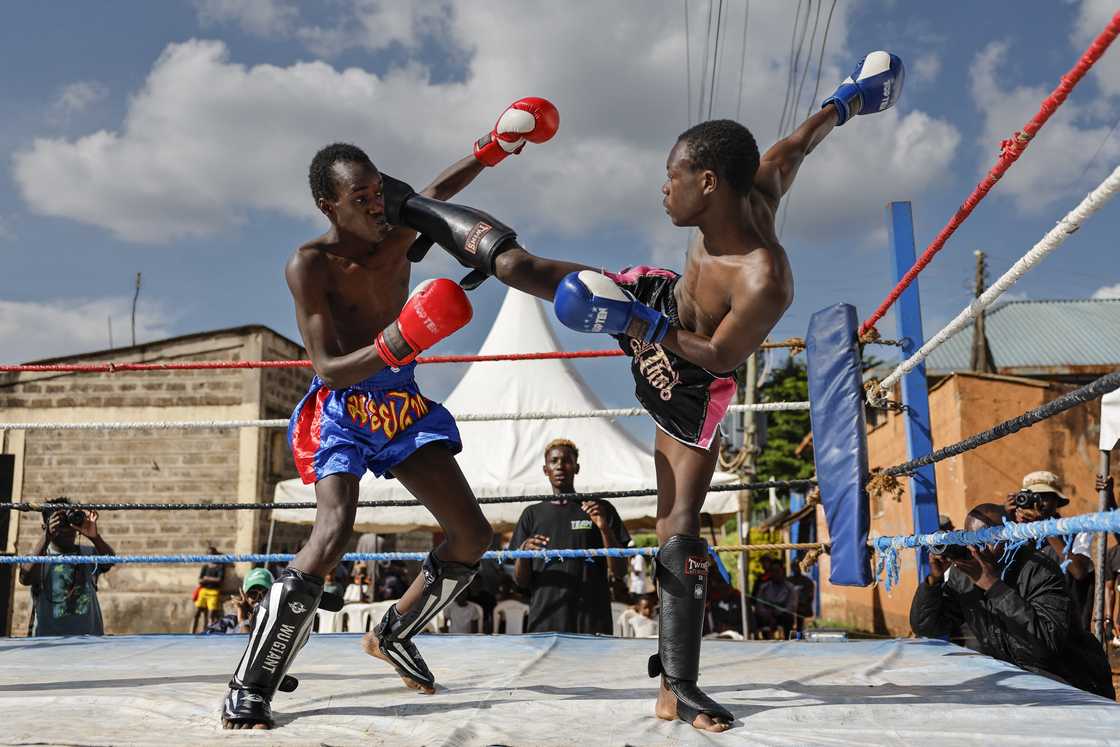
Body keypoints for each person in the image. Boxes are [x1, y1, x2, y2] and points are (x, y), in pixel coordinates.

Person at [386, 50, 904, 731]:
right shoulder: (762, 172)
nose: (664, 189)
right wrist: (854, 96)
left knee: (678, 528)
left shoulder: (763, 275)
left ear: (709, 182)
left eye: (674, 176)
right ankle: (418, 209)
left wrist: (634, 323)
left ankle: (678, 686)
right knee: (522, 266)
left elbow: (722, 352)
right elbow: (809, 133)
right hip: (659, 301)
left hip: (689, 376)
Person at [220, 97, 560, 730]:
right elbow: (324, 366)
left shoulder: (402, 232)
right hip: (344, 404)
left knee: (473, 536)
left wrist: (494, 146)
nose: (377, 205)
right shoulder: (310, 264)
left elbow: (438, 192)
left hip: (399, 401)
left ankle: (395, 631)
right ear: (329, 205)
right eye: (361, 197)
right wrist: (399, 339)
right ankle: (252, 683)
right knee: (333, 530)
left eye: (379, 192)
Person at [910, 503, 1115, 699]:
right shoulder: (963, 575)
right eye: (971, 540)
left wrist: (992, 585)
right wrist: (933, 582)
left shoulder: (1038, 569)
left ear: (1007, 536)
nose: (976, 549)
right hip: (1019, 680)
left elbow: (1045, 646)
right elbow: (927, 628)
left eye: (985, 540)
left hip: (1073, 681)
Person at [508, 438, 630, 634]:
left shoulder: (600, 508)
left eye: (566, 461)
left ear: (576, 467)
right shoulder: (531, 514)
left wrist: (604, 528)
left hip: (593, 620)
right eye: (554, 461)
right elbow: (521, 581)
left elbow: (620, 571)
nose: (560, 466)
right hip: (545, 621)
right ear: (545, 469)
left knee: (593, 665)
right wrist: (523, 553)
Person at [1006, 471, 1094, 629]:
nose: (1038, 503)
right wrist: (1006, 517)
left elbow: (1079, 572)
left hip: (1066, 625)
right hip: (1026, 624)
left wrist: (1044, 527)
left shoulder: (1076, 529)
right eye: (1033, 497)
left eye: (1044, 497)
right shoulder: (1015, 532)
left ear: (1057, 501)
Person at [18, 497, 115, 637]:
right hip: (49, 643)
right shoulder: (39, 558)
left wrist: (95, 537)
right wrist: (46, 537)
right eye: (59, 522)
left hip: (89, 641)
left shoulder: (89, 554)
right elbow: (25, 577)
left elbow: (109, 562)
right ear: (45, 526)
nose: (66, 529)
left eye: (68, 521)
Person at [206, 568, 276, 635]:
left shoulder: (280, 624)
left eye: (265, 593)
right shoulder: (229, 622)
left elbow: (251, 645)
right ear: (244, 595)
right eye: (253, 593)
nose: (259, 598)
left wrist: (243, 622)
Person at [754, 561, 797, 639]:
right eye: (773, 571)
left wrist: (779, 612)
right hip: (767, 616)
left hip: (783, 616)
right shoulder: (764, 587)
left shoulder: (790, 587)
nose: (775, 573)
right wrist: (767, 614)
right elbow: (759, 605)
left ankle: (787, 640)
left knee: (788, 618)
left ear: (782, 571)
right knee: (757, 619)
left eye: (777, 571)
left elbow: (792, 606)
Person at [192, 546, 227, 633]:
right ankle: (192, 632)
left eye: (212, 554)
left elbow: (220, 580)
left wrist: (207, 578)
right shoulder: (205, 567)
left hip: (214, 592)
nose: (210, 556)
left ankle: (209, 633)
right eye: (208, 554)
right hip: (203, 591)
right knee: (197, 613)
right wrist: (209, 579)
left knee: (211, 615)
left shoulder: (220, 566)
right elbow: (200, 580)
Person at [787, 563, 815, 635]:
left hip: (802, 607)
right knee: (788, 622)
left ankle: (799, 635)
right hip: (790, 608)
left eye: (797, 567)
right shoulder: (788, 581)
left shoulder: (807, 581)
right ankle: (788, 635)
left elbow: (810, 595)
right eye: (794, 567)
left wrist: (803, 603)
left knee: (800, 622)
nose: (796, 569)